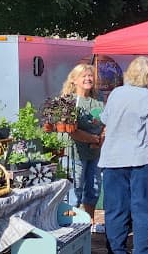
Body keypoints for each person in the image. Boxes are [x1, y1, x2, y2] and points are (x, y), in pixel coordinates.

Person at [99, 57, 148, 254]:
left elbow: (106, 123)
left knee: (115, 210)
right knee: (144, 211)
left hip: (113, 159)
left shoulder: (115, 94)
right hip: (142, 161)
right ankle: (142, 250)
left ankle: (116, 250)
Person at [61, 64, 105, 233]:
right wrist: (94, 138)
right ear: (74, 79)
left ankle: (90, 222)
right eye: (84, 76)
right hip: (74, 152)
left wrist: (101, 138)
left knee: (93, 187)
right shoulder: (69, 101)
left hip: (95, 152)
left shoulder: (98, 99)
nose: (88, 79)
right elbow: (72, 131)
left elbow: (107, 121)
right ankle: (70, 224)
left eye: (90, 76)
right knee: (74, 189)